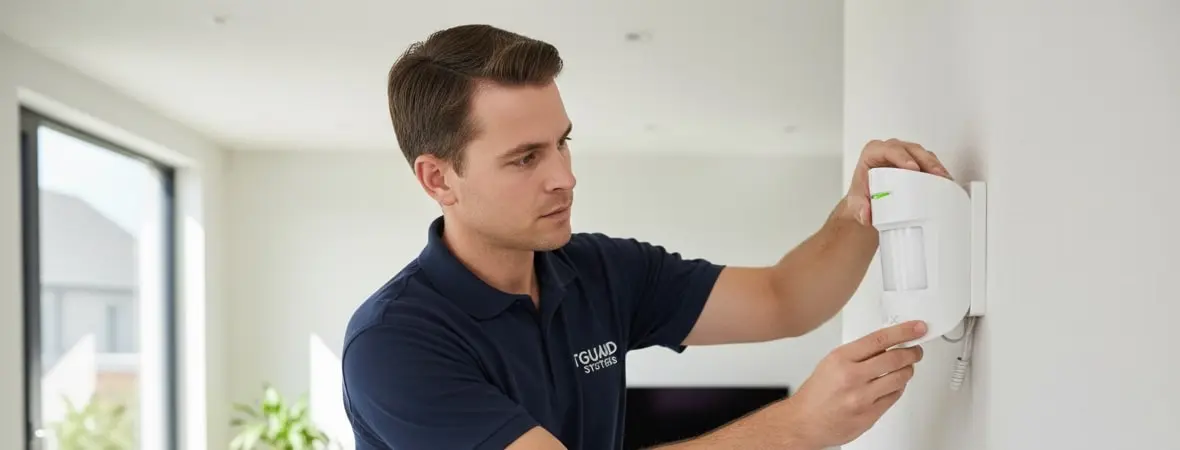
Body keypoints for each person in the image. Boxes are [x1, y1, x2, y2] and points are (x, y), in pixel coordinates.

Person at [341, 24, 952, 450]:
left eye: (562, 143)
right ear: (438, 179)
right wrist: (797, 426)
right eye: (526, 158)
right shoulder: (393, 343)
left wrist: (857, 209)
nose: (565, 178)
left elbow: (784, 299)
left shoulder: (599, 270)